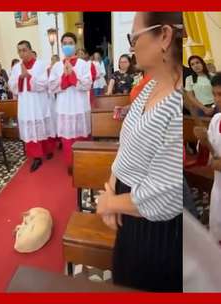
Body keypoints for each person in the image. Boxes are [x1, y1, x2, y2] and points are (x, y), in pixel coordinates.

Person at [96, 12, 183, 291]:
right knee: (123, 278)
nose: (131, 46)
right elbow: (127, 142)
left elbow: (167, 191)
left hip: (153, 225)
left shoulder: (177, 103)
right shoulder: (150, 87)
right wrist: (110, 186)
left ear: (165, 36)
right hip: (127, 206)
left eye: (134, 37)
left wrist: (110, 203)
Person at [49, 32, 92, 174]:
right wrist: (64, 77)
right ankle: (71, 164)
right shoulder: (56, 67)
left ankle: (84, 162)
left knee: (81, 136)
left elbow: (87, 84)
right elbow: (52, 87)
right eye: (65, 43)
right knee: (67, 140)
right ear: (61, 46)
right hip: (64, 107)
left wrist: (72, 76)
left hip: (79, 105)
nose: (67, 46)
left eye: (70, 43)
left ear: (75, 45)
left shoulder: (83, 64)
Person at [9, 40, 55, 172]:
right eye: (19, 51)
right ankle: (36, 157)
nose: (21, 53)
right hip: (25, 103)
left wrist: (29, 77)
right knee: (31, 129)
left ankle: (48, 150)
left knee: (42, 127)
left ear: (30, 50)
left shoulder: (41, 65)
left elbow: (45, 83)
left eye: (24, 50)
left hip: (39, 102)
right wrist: (20, 78)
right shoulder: (16, 67)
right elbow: (12, 86)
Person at [194, 72, 221, 244]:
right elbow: (211, 159)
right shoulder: (217, 119)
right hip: (218, 189)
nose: (217, 99)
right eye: (215, 94)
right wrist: (203, 140)